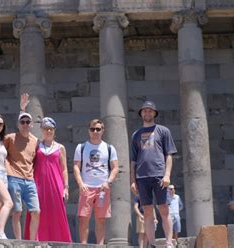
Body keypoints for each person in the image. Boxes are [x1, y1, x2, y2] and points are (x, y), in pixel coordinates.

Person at [130, 100, 177, 248]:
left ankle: (169, 242)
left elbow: (169, 154)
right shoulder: (136, 135)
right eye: (144, 111)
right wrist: (132, 180)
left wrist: (167, 174)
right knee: (148, 212)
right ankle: (152, 244)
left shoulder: (163, 131)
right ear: (141, 114)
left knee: (164, 209)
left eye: (150, 110)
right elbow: (133, 161)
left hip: (159, 175)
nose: (147, 113)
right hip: (142, 177)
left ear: (154, 113)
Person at [23, 117, 72, 242]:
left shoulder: (60, 148)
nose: (48, 131)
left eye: (50, 129)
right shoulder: (37, 145)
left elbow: (64, 169)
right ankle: (36, 240)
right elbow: (24, 134)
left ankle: (60, 241)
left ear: (54, 130)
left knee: (56, 213)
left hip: (56, 184)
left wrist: (66, 187)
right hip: (38, 183)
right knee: (37, 211)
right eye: (45, 129)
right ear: (41, 130)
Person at [73, 119, 119, 244]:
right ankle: (83, 245)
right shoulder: (81, 147)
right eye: (92, 129)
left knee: (101, 219)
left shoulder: (109, 148)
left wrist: (108, 182)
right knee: (84, 219)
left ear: (102, 131)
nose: (95, 131)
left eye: (98, 129)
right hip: (86, 187)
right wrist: (80, 183)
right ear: (89, 131)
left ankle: (100, 245)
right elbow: (76, 166)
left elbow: (115, 168)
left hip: (102, 188)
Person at [3, 93, 40, 240]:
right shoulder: (10, 138)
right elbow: (1, 153)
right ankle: (19, 242)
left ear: (31, 125)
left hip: (30, 180)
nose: (25, 124)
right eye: (22, 122)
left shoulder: (36, 141)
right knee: (17, 211)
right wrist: (6, 170)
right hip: (14, 178)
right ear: (18, 125)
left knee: (36, 211)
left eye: (27, 122)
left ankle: (31, 242)